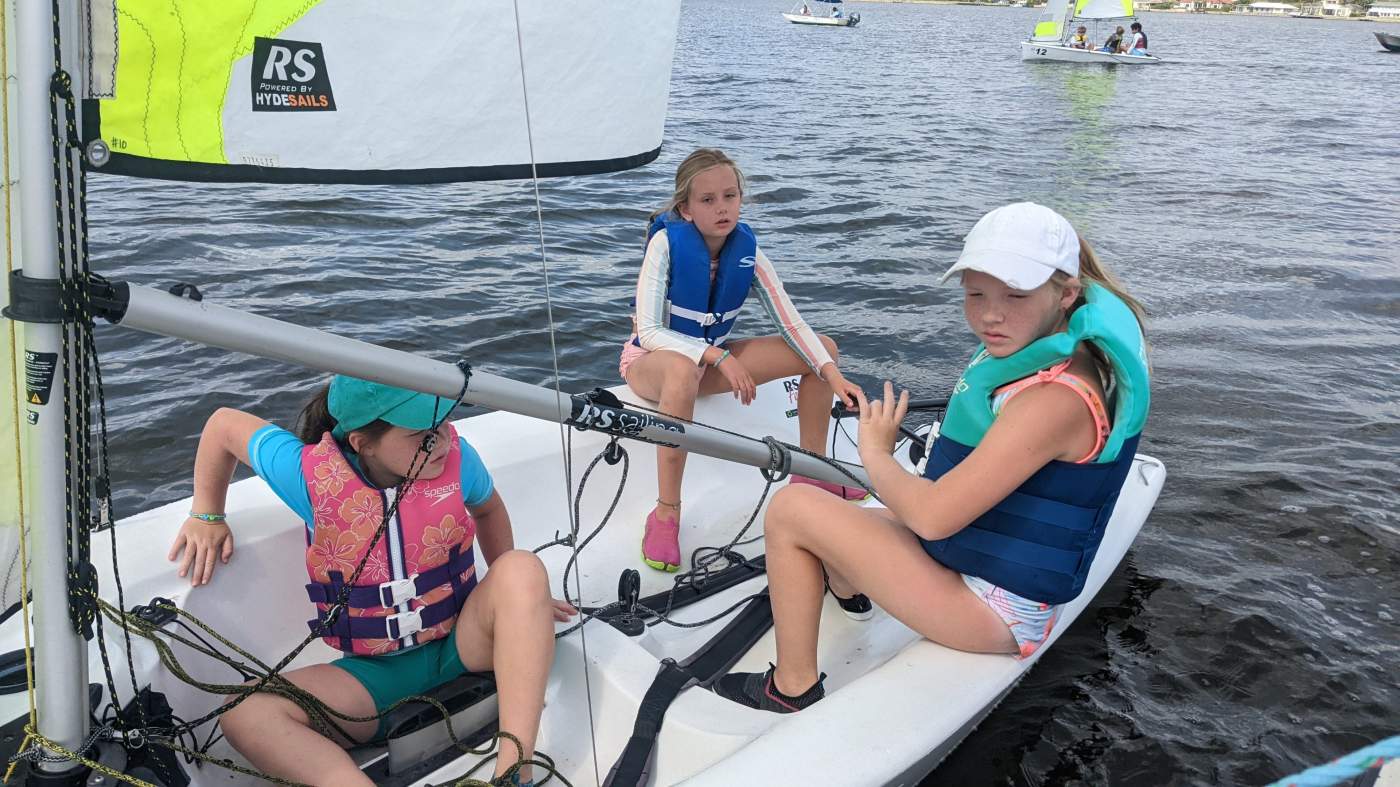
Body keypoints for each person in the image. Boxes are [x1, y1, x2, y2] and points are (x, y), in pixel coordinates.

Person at [711, 203, 1150, 713]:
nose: (990, 314)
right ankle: (850, 591)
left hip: (999, 609)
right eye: (975, 294)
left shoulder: (1056, 400)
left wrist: (877, 451)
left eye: (1016, 296)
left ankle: (791, 689)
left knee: (793, 511)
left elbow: (933, 517)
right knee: (855, 518)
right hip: (979, 556)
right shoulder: (1054, 347)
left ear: (1066, 294)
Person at [167, 377, 576, 786]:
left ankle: (514, 769)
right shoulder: (309, 477)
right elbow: (223, 425)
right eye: (422, 436)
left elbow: (488, 510)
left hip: (463, 643)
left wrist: (521, 606)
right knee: (244, 711)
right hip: (371, 679)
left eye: (445, 425)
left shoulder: (458, 460)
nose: (444, 443)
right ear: (364, 443)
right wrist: (207, 515)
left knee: (523, 569)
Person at [620, 148, 865, 573]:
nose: (722, 208)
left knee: (822, 348)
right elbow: (649, 332)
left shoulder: (749, 253)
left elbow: (792, 326)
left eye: (730, 197)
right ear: (686, 208)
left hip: (709, 365)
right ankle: (666, 512)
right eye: (708, 200)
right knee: (681, 370)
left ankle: (811, 469)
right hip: (653, 363)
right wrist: (717, 356)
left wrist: (833, 375)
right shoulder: (665, 245)